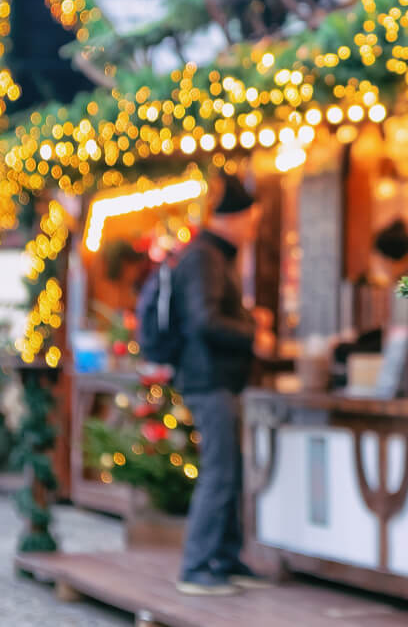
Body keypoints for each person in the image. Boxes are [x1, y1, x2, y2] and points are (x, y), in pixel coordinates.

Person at [171, 173, 269, 596]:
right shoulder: (205, 258)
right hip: (208, 380)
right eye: (250, 219)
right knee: (220, 471)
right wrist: (253, 334)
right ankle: (197, 566)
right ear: (232, 218)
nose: (253, 228)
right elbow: (204, 321)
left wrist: (248, 320)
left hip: (218, 379)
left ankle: (226, 559)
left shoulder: (213, 257)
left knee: (229, 470)